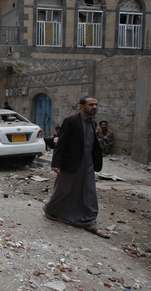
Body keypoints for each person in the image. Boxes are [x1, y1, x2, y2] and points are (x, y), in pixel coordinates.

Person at [44, 95, 108, 239]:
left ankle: (89, 220)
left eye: (96, 105)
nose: (94, 107)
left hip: (88, 163)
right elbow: (61, 143)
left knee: (89, 191)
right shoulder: (71, 121)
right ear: (81, 106)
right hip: (72, 162)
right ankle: (50, 209)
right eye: (91, 105)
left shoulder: (93, 123)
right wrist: (56, 163)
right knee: (64, 189)